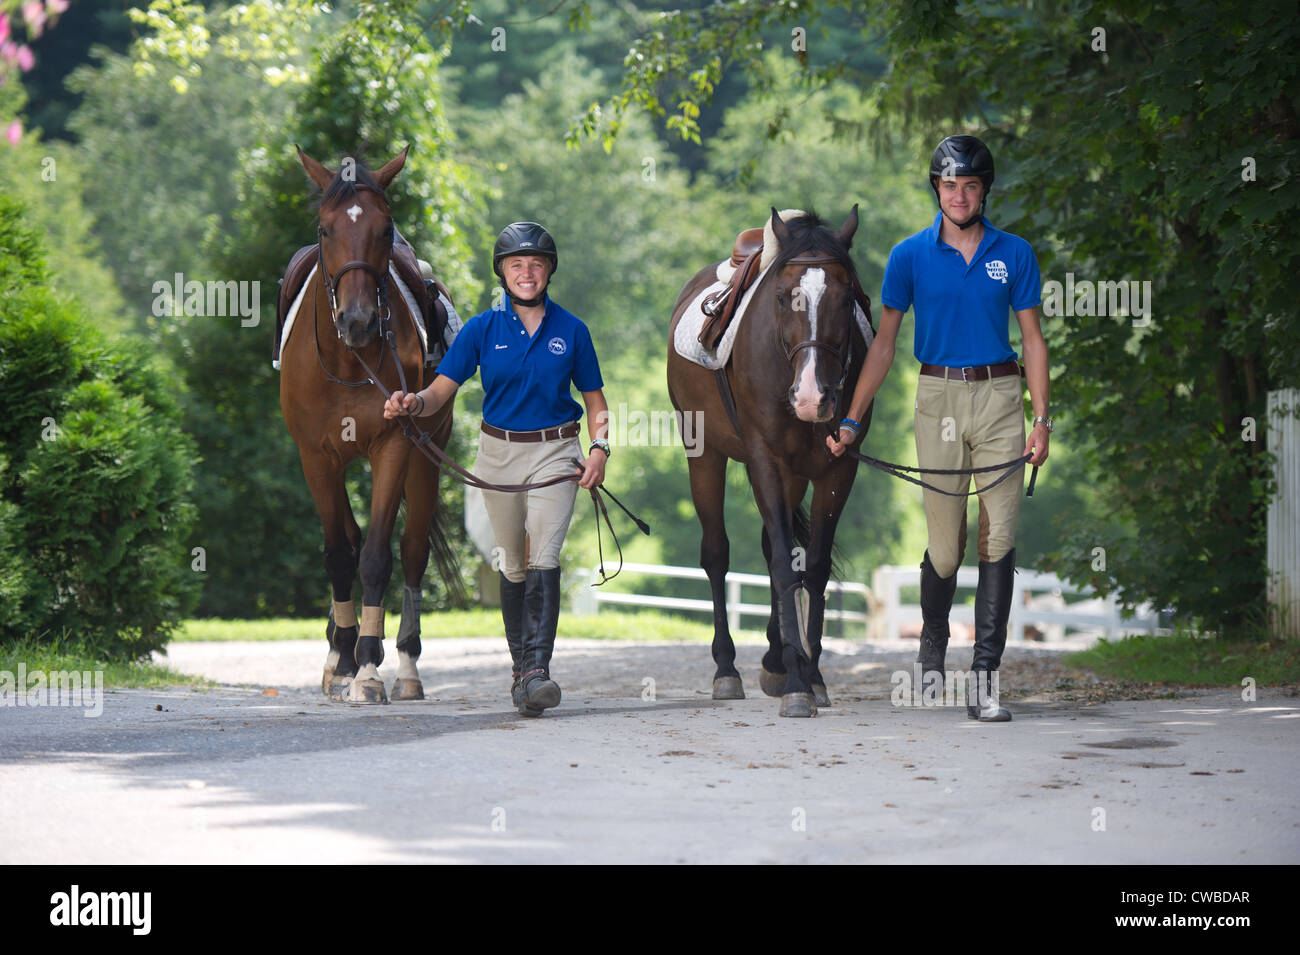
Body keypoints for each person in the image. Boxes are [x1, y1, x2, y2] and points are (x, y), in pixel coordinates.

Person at [827, 134, 1052, 722]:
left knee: (998, 537)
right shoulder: (909, 256)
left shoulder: (1015, 254)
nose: (959, 195)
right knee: (946, 546)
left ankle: (985, 679)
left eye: (970, 186)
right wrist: (851, 417)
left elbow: (1032, 339)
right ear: (937, 189)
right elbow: (883, 344)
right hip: (938, 398)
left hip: (1002, 397)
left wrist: (1042, 419)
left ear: (984, 192)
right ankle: (933, 647)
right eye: (949, 185)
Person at [383, 221, 610, 716]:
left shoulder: (572, 330)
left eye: (535, 264)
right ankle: (519, 671)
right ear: (503, 273)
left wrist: (600, 448)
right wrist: (411, 403)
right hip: (498, 453)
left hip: (556, 452)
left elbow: (596, 401)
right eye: (516, 265)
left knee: (544, 556)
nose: (527, 273)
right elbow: (441, 389)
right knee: (511, 562)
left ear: (548, 270)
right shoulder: (483, 329)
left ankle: (537, 671)